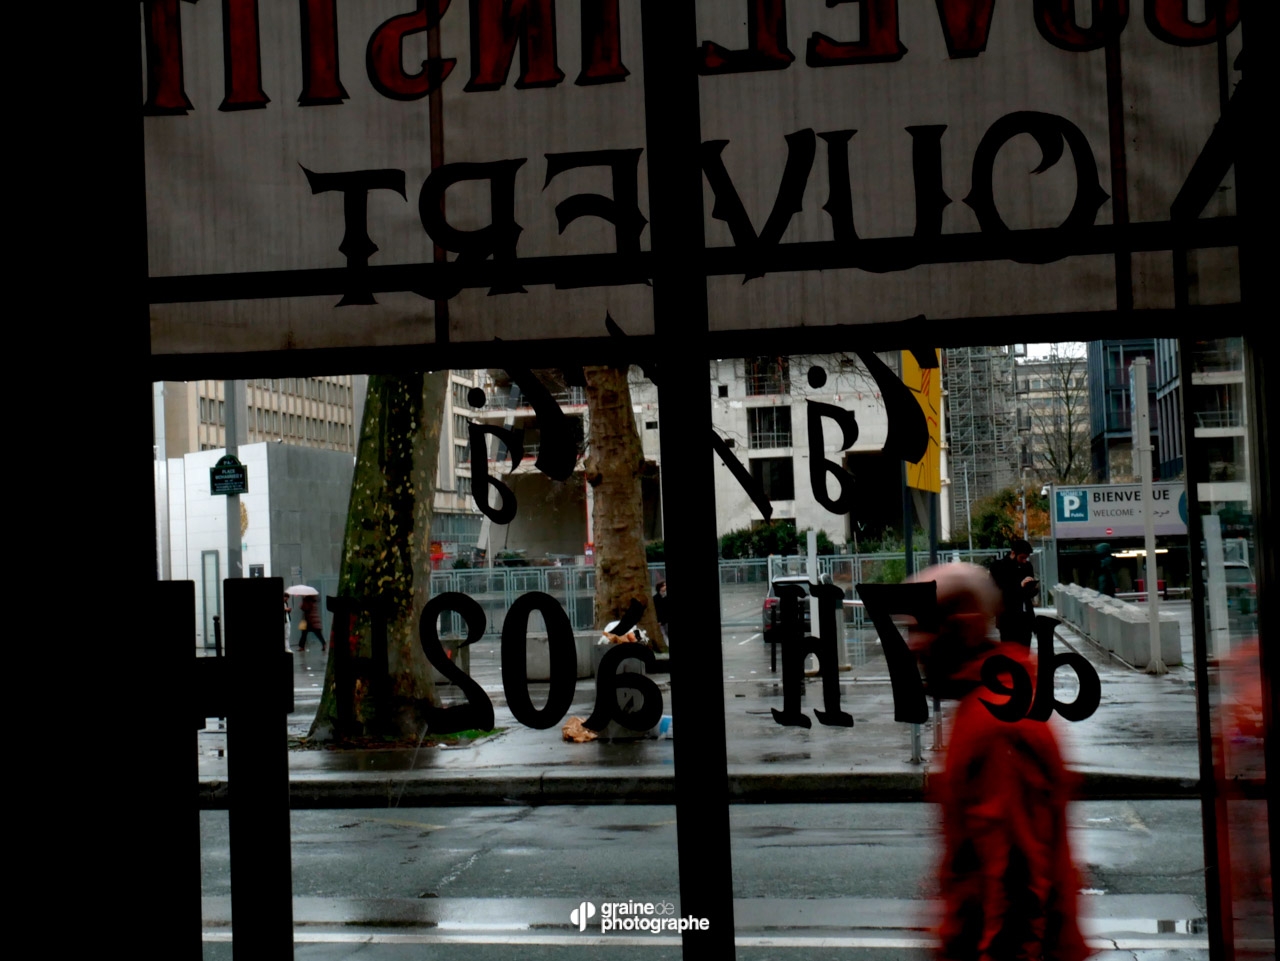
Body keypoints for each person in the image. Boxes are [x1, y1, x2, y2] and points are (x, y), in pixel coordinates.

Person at [907, 563, 1090, 961]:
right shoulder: (986, 706)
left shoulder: (996, 727)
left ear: (964, 625)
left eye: (923, 627)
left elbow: (1017, 894)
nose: (914, 644)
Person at [988, 537, 1037, 645]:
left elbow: (1029, 595)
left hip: (1025, 618)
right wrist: (1020, 585)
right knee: (1010, 652)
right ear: (1013, 553)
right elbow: (999, 591)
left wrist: (1032, 587)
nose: (1024, 561)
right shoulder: (998, 566)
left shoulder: (1027, 567)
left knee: (1025, 651)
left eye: (1026, 558)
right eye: (1022, 557)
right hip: (1008, 618)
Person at [652, 580, 669, 648]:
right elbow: (656, 611)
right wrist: (658, 621)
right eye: (664, 585)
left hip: (666, 619)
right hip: (660, 620)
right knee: (663, 633)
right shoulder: (655, 598)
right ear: (660, 587)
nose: (665, 587)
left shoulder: (666, 597)